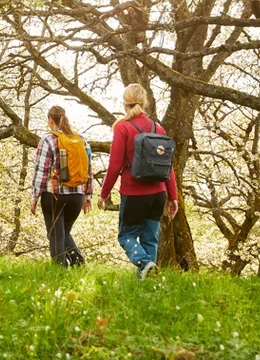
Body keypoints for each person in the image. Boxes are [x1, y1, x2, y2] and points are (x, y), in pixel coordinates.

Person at [97, 84, 179, 279]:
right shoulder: (158, 128)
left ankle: (144, 262)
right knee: (150, 239)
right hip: (158, 193)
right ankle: (148, 282)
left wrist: (104, 193)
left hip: (134, 192)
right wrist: (173, 196)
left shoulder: (122, 128)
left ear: (125, 103)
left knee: (126, 236)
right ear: (145, 102)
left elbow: (115, 165)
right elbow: (168, 165)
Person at [30, 106, 93, 267]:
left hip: (54, 195)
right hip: (77, 196)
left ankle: (60, 271)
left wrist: (34, 197)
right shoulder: (81, 140)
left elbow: (41, 171)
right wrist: (87, 196)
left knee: (56, 235)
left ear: (50, 120)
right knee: (64, 233)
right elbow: (88, 170)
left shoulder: (48, 140)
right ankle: (78, 263)